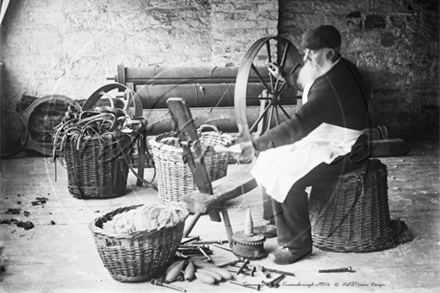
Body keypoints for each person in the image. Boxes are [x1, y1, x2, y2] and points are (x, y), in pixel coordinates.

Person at [236, 25, 372, 265]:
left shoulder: (336, 83)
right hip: (325, 137)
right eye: (305, 51)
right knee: (270, 159)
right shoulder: (335, 66)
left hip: (347, 148)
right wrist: (285, 77)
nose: (306, 57)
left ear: (329, 53)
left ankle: (297, 245)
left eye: (312, 52)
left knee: (288, 176)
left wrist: (257, 143)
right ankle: (276, 222)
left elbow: (299, 124)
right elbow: (306, 82)